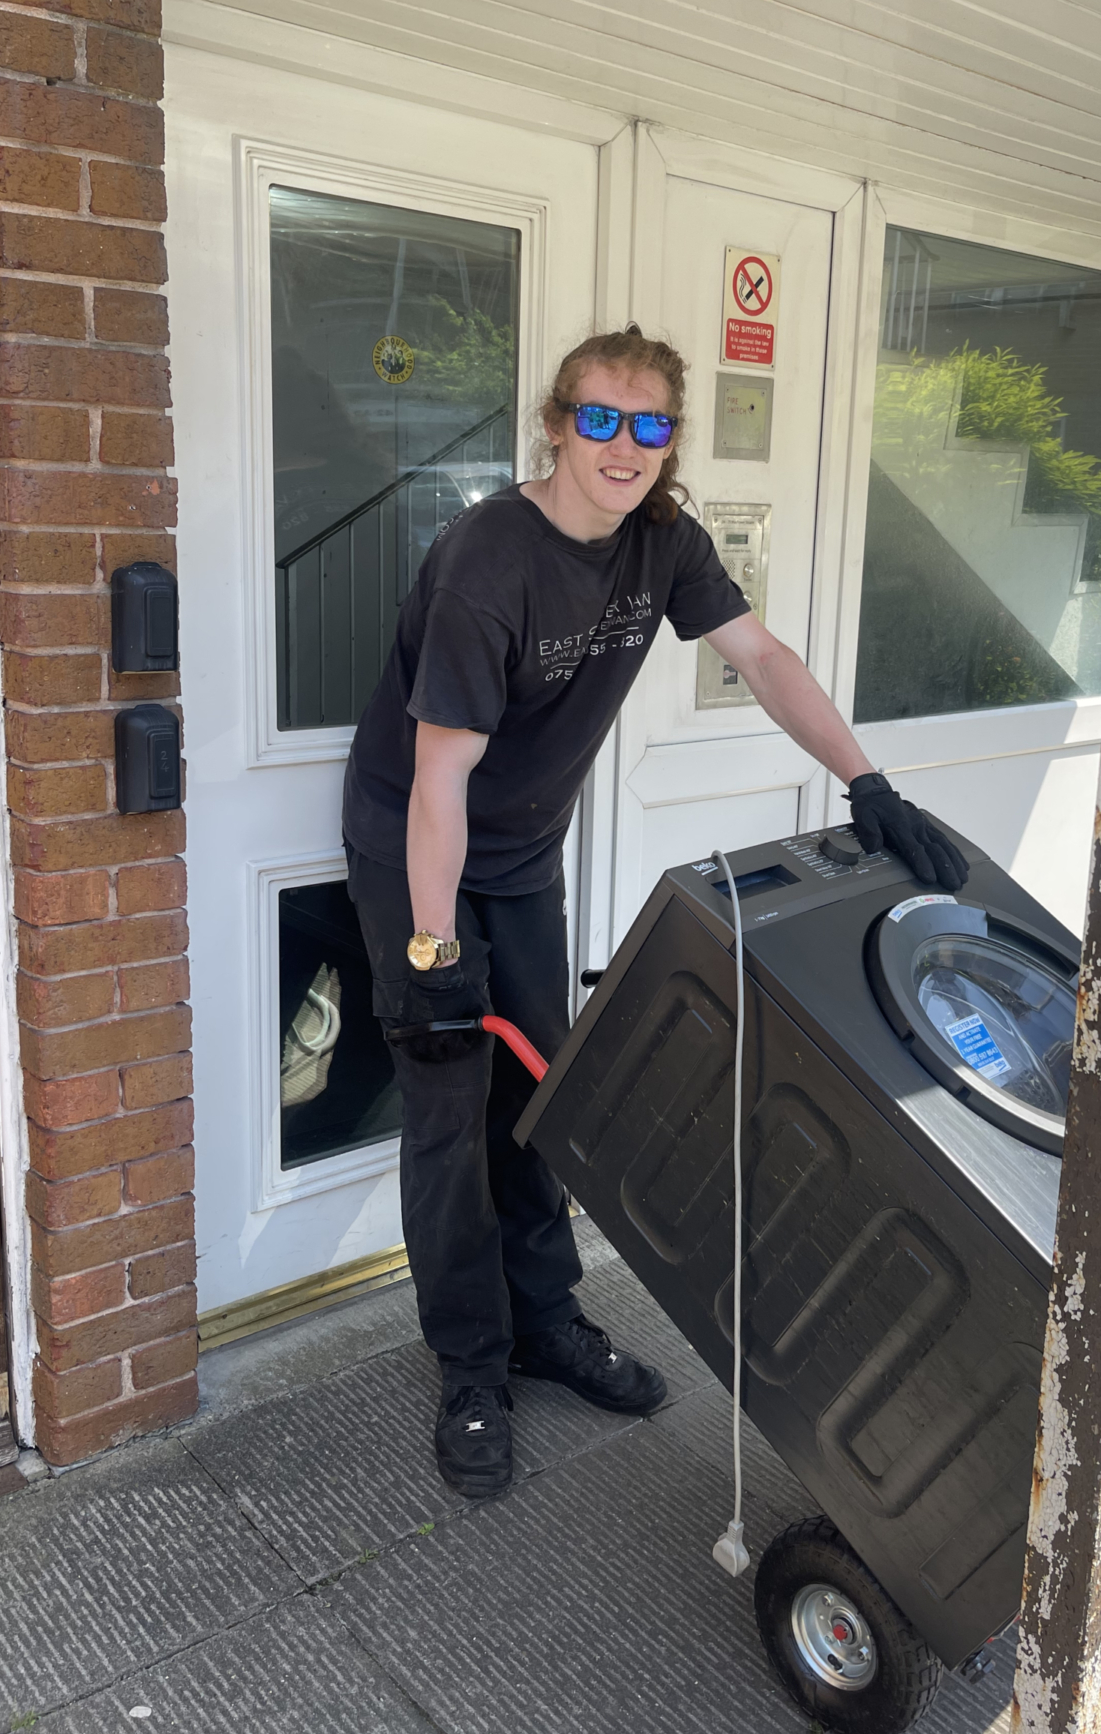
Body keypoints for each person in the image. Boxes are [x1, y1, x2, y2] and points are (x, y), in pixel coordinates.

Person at [342, 325, 966, 1498]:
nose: (624, 446)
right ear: (557, 423)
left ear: (670, 439)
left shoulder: (662, 542)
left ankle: (548, 1322)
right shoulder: (490, 560)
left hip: (520, 850)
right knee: (448, 1102)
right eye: (600, 418)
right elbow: (437, 779)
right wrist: (431, 950)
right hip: (416, 849)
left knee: (539, 1095)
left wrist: (867, 781)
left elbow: (765, 656)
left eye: (650, 424)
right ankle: (472, 1366)